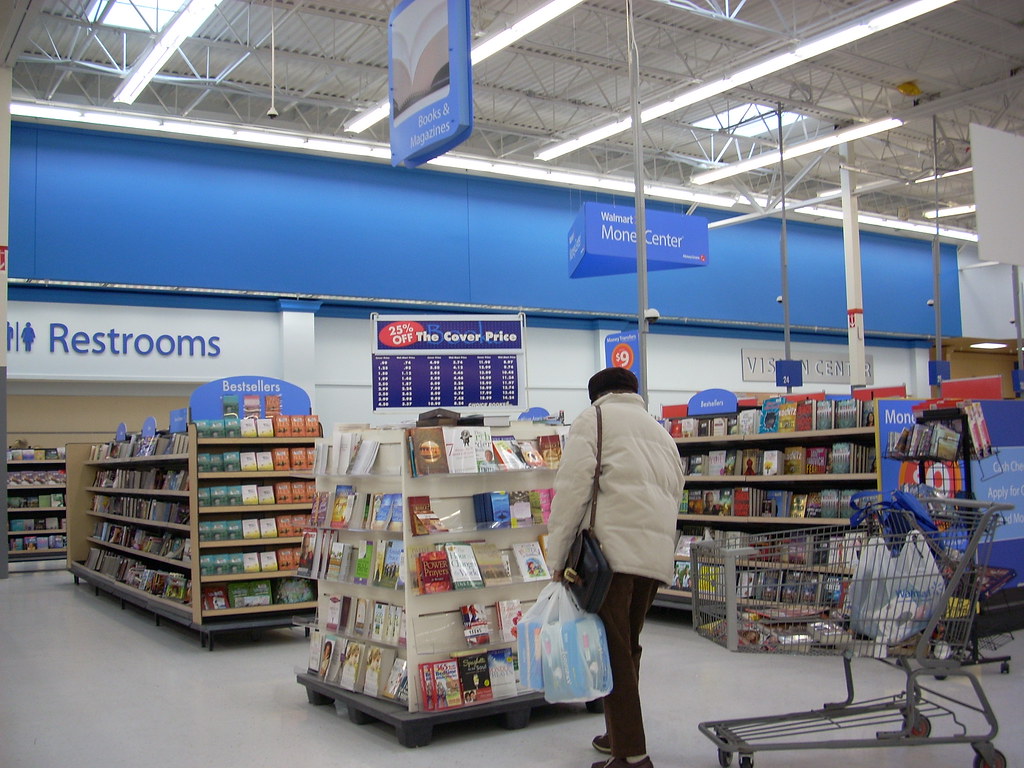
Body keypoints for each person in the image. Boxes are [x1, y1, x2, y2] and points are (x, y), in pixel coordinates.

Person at [547, 367, 686, 768]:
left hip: (610, 559)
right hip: (653, 559)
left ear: (597, 395)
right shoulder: (661, 434)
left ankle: (632, 755)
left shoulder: (594, 420)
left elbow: (572, 491)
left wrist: (556, 560)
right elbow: (674, 492)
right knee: (628, 645)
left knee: (613, 651)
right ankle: (616, 735)